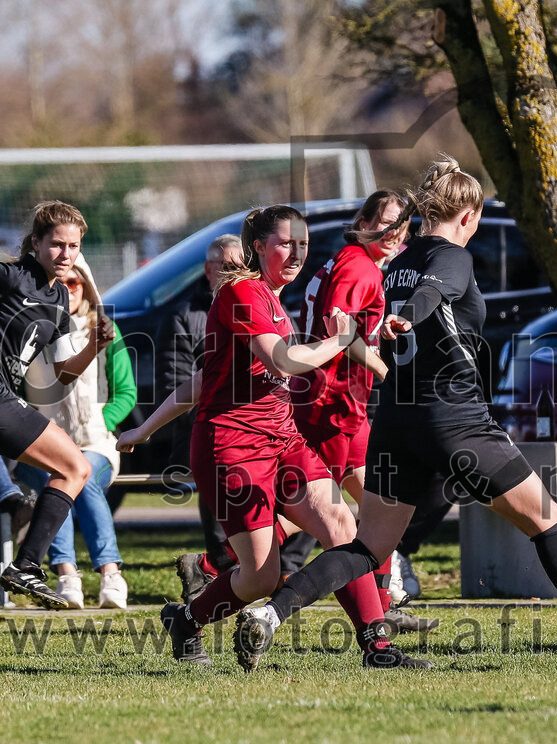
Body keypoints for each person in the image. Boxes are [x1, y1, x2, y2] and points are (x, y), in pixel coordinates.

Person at [232, 156, 557, 670]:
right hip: (454, 420)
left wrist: (397, 320)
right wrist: (405, 319)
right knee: (548, 520)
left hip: (396, 421)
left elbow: (414, 303)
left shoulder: (397, 261)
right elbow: (434, 293)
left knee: (367, 546)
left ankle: (270, 615)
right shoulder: (453, 256)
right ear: (467, 216)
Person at [118, 205, 430, 668]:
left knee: (343, 525)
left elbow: (205, 377)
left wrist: (145, 427)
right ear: (258, 247)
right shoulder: (241, 292)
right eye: (285, 243)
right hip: (232, 447)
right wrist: (338, 343)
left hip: (283, 439)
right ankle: (187, 620)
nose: (296, 253)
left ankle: (378, 646)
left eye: (302, 244)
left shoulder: (271, 296)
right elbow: (281, 360)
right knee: (260, 579)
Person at [293, 188, 437, 636]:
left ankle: (385, 600)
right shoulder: (359, 267)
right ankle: (214, 570)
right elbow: (342, 333)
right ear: (365, 221)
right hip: (329, 403)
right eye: (387, 223)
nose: (397, 233)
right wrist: (387, 371)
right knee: (314, 512)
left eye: (404, 226)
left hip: (341, 403)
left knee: (383, 499)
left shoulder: (358, 262)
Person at [157, 235, 314, 601]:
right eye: (227, 268)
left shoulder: (264, 299)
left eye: (239, 266)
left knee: (329, 514)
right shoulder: (201, 310)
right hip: (224, 440)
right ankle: (218, 573)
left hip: (275, 435)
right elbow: (187, 381)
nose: (235, 275)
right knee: (261, 566)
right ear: (209, 271)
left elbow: (280, 367)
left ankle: (226, 568)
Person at [0, 201, 118, 609]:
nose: (66, 254)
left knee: (76, 467)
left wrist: (95, 347)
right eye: (56, 245)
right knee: (74, 466)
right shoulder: (10, 277)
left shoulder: (60, 304)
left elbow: (63, 375)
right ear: (36, 242)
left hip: (6, 401)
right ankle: (26, 565)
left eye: (73, 246)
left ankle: (26, 566)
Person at [15, 256, 136, 609]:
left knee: (80, 475)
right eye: (60, 284)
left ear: (86, 286)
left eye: (74, 283)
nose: (67, 290)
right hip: (38, 444)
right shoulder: (30, 332)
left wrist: (102, 419)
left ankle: (109, 574)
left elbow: (126, 393)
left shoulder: (105, 331)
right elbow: (17, 393)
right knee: (62, 474)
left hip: (95, 442)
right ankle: (68, 575)